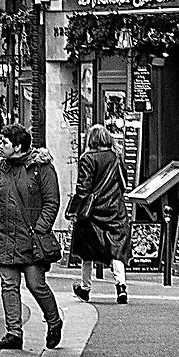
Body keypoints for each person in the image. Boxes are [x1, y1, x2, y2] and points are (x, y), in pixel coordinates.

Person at [0, 124, 65, 350]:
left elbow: (52, 202)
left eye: (5, 143)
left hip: (31, 237)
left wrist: (40, 229)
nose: (0, 146)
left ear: (18, 146)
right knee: (8, 284)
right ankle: (13, 332)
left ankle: (54, 321)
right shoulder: (2, 168)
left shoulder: (41, 167)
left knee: (35, 284)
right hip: (6, 236)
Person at [70, 121, 129, 305]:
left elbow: (83, 187)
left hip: (93, 211)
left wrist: (74, 210)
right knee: (116, 248)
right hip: (115, 209)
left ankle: (85, 288)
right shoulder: (116, 157)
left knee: (87, 250)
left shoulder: (87, 158)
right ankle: (121, 286)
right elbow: (124, 183)